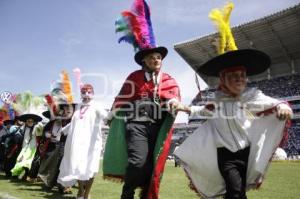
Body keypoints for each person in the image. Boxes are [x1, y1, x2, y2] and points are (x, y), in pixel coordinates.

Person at [171, 49, 293, 198]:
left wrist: (283, 107)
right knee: (236, 191)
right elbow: (202, 110)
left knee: (237, 190)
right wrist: (182, 107)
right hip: (226, 155)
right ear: (223, 79)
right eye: (233, 75)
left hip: (246, 153)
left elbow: (273, 103)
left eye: (242, 75)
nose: (239, 79)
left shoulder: (251, 97)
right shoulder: (217, 103)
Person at [57, 84, 108, 199]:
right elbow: (75, 122)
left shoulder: (97, 106)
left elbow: (106, 117)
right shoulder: (78, 106)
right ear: (80, 94)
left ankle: (86, 193)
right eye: (84, 92)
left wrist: (115, 112)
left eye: (89, 92)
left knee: (91, 168)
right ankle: (80, 191)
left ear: (93, 94)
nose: (86, 95)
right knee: (79, 167)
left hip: (92, 144)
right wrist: (64, 130)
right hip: (77, 143)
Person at [10, 113, 43, 180]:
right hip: (24, 148)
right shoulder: (24, 128)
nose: (29, 122)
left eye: (31, 121)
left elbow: (40, 133)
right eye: (28, 121)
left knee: (28, 162)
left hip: (32, 148)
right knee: (19, 160)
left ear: (34, 122)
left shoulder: (36, 128)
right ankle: (17, 174)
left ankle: (25, 175)